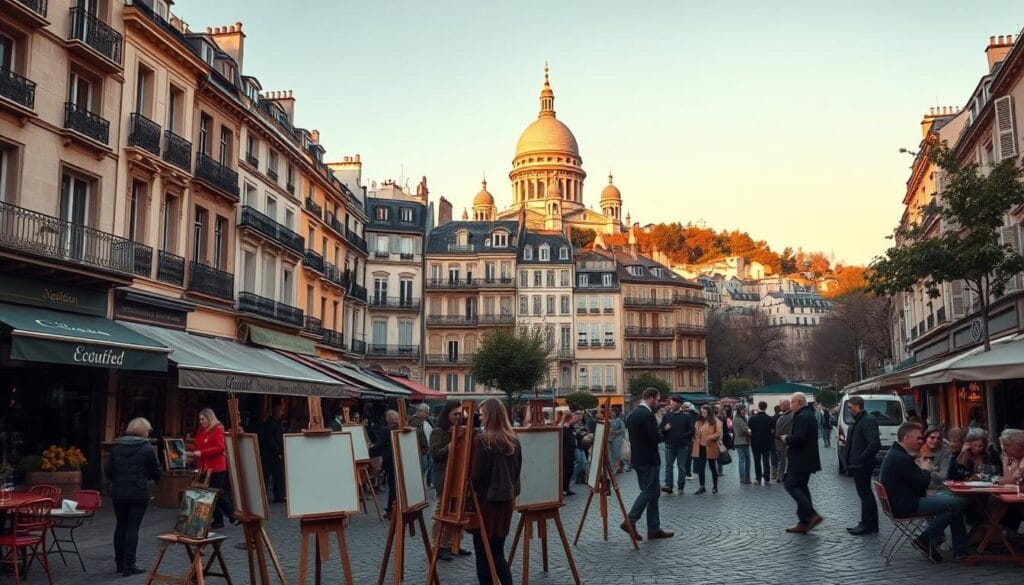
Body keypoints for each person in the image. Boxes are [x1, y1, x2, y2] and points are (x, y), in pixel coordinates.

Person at [880, 422, 971, 562]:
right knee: (960, 502)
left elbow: (917, 481)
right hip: (907, 505)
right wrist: (926, 469)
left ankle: (954, 548)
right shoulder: (901, 458)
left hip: (903, 502)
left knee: (953, 506)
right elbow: (923, 482)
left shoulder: (896, 454)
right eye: (918, 438)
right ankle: (928, 539)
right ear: (906, 438)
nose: (921, 441)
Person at [469, 398, 522, 585]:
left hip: (486, 502)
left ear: (491, 415)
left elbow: (477, 475)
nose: (481, 419)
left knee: (483, 554)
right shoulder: (513, 440)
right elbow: (516, 473)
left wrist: (466, 495)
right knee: (497, 552)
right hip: (505, 501)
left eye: (482, 415)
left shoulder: (484, 441)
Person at [106, 417, 161, 576]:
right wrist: (152, 478)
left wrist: (116, 481)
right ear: (144, 431)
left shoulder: (116, 447)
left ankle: (119, 563)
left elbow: (109, 470)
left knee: (120, 525)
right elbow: (155, 470)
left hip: (118, 492)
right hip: (139, 492)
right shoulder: (147, 448)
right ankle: (130, 564)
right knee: (132, 528)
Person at [623, 388, 673, 541]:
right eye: (657, 400)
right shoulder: (647, 415)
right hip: (649, 459)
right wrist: (664, 431)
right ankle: (630, 520)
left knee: (653, 493)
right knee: (649, 491)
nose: (657, 403)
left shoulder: (632, 415)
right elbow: (655, 438)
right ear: (651, 398)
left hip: (638, 459)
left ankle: (653, 528)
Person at [429, 401, 470, 562]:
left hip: (458, 475)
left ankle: (454, 543)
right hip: (443, 476)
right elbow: (436, 454)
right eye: (455, 414)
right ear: (447, 414)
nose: (458, 417)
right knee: (443, 511)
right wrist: (453, 442)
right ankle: (438, 546)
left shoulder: (460, 429)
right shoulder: (438, 432)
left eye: (460, 414)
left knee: (458, 509)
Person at [780, 392, 822, 534]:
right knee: (802, 487)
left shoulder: (803, 417)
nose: (790, 405)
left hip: (801, 459)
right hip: (807, 459)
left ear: (799, 402)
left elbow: (800, 438)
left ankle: (811, 515)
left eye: (792, 402)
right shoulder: (807, 415)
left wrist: (787, 438)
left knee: (790, 484)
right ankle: (804, 521)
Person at [190, 408, 236, 529]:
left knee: (215, 493)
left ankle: (232, 514)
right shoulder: (201, 430)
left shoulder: (218, 429)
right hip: (204, 468)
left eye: (203, 419)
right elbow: (198, 445)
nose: (201, 422)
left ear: (209, 418)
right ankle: (218, 520)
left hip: (216, 468)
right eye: (199, 419)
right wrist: (193, 454)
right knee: (208, 494)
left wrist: (201, 453)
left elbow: (220, 448)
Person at [843, 395, 880, 535]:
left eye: (850, 407)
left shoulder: (867, 420)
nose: (849, 410)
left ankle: (868, 524)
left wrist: (860, 459)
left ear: (858, 406)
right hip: (858, 463)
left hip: (862, 464)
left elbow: (874, 443)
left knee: (865, 494)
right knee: (865, 494)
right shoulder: (859, 420)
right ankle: (869, 523)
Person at [659, 396, 694, 494]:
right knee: (668, 466)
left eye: (674, 404)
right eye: (671, 403)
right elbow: (660, 430)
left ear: (679, 404)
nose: (672, 405)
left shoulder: (686, 416)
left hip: (682, 446)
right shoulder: (667, 416)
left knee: (681, 467)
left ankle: (681, 486)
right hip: (669, 445)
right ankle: (669, 485)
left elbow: (691, 430)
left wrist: (682, 436)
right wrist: (664, 429)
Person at [371, 410, 401, 519]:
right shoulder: (400, 428)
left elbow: (379, 446)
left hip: (389, 461)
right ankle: (396, 507)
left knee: (392, 485)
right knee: (397, 485)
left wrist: (369, 450)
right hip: (398, 459)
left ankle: (391, 509)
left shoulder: (387, 430)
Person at [258, 404, 286, 503]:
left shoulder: (273, 423)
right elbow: (270, 439)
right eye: (281, 411)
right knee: (271, 474)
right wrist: (278, 450)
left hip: (272, 453)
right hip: (271, 454)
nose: (282, 413)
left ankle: (278, 495)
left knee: (275, 475)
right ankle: (274, 495)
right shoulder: (271, 424)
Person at [691, 405, 722, 495]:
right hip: (700, 446)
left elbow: (718, 433)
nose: (703, 412)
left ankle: (715, 486)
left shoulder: (715, 421)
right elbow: (695, 432)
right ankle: (702, 486)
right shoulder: (698, 421)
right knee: (701, 468)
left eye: (704, 411)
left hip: (710, 446)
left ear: (709, 411)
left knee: (712, 467)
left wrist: (709, 438)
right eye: (702, 411)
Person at [917, 426, 952, 491]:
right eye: (932, 437)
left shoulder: (944, 451)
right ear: (926, 438)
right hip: (919, 489)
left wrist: (929, 470)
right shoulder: (917, 449)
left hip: (938, 489)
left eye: (938, 438)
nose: (935, 440)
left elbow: (943, 476)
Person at [748, 401, 774, 486]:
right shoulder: (769, 418)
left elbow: (750, 429)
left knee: (757, 461)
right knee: (766, 461)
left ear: (759, 407)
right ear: (766, 408)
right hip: (766, 442)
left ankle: (758, 479)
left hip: (755, 442)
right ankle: (767, 479)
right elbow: (772, 431)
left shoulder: (752, 418)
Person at [411, 403, 432, 488]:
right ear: (420, 411)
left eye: (428, 411)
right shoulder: (415, 421)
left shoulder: (425, 421)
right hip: (421, 449)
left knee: (428, 464)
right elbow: (418, 435)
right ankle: (418, 484)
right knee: (423, 466)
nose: (427, 413)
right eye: (426, 411)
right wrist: (425, 444)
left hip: (427, 448)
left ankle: (422, 483)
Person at [561, 411, 580, 495]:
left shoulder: (570, 428)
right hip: (565, 454)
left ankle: (566, 488)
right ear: (569, 419)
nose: (575, 420)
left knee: (570, 471)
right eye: (573, 418)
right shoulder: (563, 429)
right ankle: (563, 489)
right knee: (565, 472)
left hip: (571, 453)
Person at [774, 399, 793, 482]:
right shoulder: (794, 415)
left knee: (782, 460)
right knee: (787, 460)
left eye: (781, 405)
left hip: (781, 442)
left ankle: (780, 476)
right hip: (791, 441)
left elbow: (778, 432)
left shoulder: (782, 418)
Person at [733, 406, 752, 484]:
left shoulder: (736, 419)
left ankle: (744, 478)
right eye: (743, 410)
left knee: (743, 460)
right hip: (743, 441)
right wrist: (750, 432)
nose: (744, 412)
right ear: (739, 411)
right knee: (745, 460)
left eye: (745, 410)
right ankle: (744, 478)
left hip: (738, 441)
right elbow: (745, 430)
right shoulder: (740, 419)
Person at [608, 406, 626, 474]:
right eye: (610, 412)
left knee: (616, 453)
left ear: (615, 412)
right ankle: (618, 467)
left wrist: (615, 432)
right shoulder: (610, 419)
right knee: (613, 453)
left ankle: (617, 467)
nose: (610, 413)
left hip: (617, 439)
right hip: (611, 439)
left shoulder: (619, 420)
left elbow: (623, 430)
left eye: (612, 412)